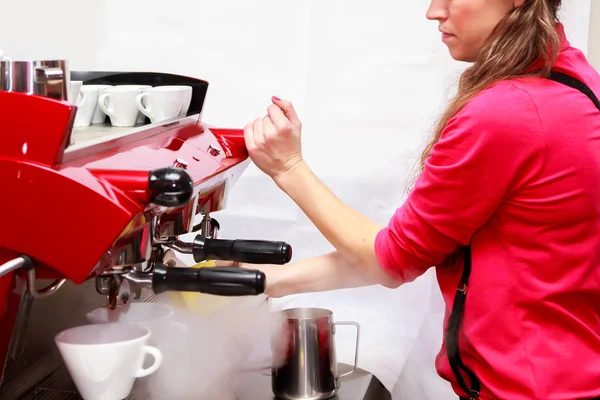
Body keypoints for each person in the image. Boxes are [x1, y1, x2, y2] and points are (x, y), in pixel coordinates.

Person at [238, 0, 600, 399]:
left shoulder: (508, 112)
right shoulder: (575, 80)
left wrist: (288, 168)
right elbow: (409, 248)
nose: (433, 11)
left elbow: (389, 260)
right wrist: (261, 281)